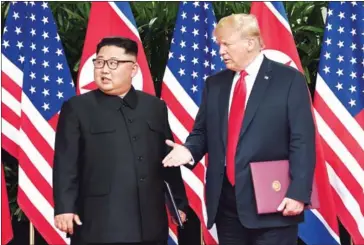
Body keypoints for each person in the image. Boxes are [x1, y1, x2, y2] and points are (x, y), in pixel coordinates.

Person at [163, 14, 316, 245]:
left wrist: (298, 192)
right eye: (219, 45)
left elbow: (302, 140)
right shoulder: (215, 84)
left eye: (226, 44)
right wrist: (189, 151)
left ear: (250, 43)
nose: (221, 51)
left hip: (272, 202)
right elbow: (202, 131)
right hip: (226, 204)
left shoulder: (289, 80)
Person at [53, 36, 188, 245]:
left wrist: (177, 202)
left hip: (150, 222)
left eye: (113, 63)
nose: (104, 69)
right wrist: (64, 208)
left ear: (133, 69)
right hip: (100, 222)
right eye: (99, 62)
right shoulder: (77, 108)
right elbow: (65, 163)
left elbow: (168, 158)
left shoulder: (154, 107)